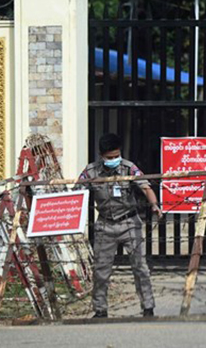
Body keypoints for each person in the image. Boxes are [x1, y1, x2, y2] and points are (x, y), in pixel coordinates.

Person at [77, 133, 161, 318]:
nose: (114, 160)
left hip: (129, 223)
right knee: (101, 270)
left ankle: (148, 307)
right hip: (105, 224)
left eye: (116, 156)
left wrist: (154, 205)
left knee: (140, 267)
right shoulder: (91, 172)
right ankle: (100, 309)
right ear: (101, 155)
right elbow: (76, 192)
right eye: (109, 158)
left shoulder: (128, 168)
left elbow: (146, 187)